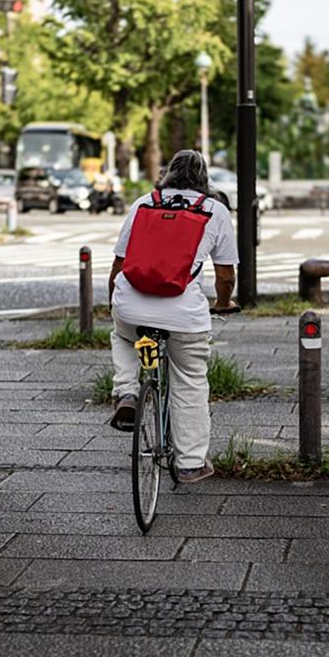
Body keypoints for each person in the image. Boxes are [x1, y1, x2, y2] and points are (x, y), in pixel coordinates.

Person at [107, 149, 238, 484]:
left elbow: (119, 265)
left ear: (167, 174)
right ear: (204, 179)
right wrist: (223, 302)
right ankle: (190, 463)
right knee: (190, 378)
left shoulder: (143, 203)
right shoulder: (215, 210)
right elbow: (225, 276)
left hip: (131, 303)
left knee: (123, 335)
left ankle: (127, 393)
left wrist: (115, 304)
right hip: (183, 314)